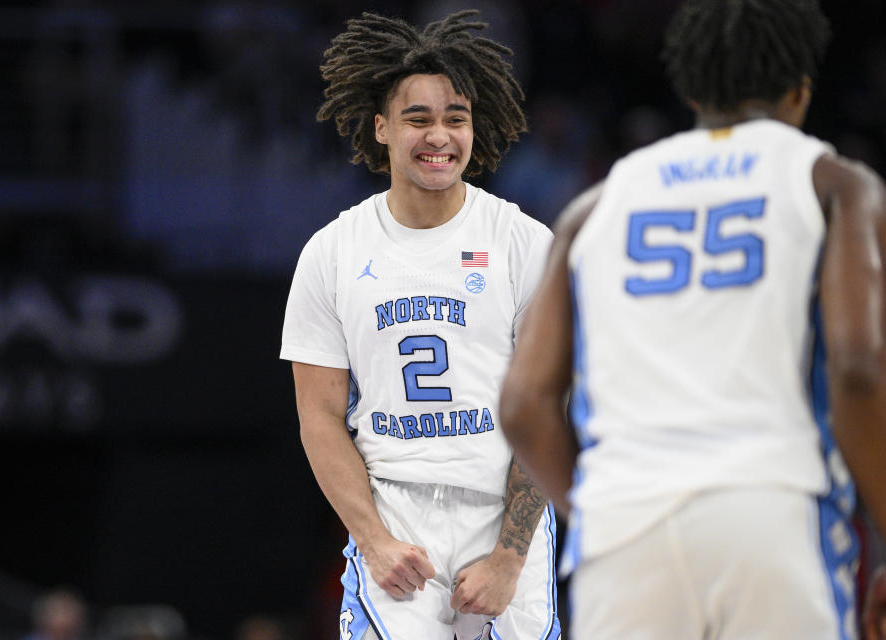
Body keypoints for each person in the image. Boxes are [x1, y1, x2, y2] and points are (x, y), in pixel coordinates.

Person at [499, 1, 886, 639]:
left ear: (689, 89)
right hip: (772, 509)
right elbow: (859, 370)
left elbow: (521, 405)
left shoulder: (594, 207)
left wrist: (606, 510)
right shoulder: (835, 184)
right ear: (801, 90)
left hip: (623, 532)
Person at [280, 10, 561, 640]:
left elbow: (548, 407)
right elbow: (319, 417)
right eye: (418, 118)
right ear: (381, 127)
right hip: (396, 510)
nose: (440, 136)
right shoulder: (331, 253)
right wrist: (375, 542)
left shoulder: (523, 244)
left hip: (504, 508)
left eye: (455, 118)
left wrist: (510, 555)